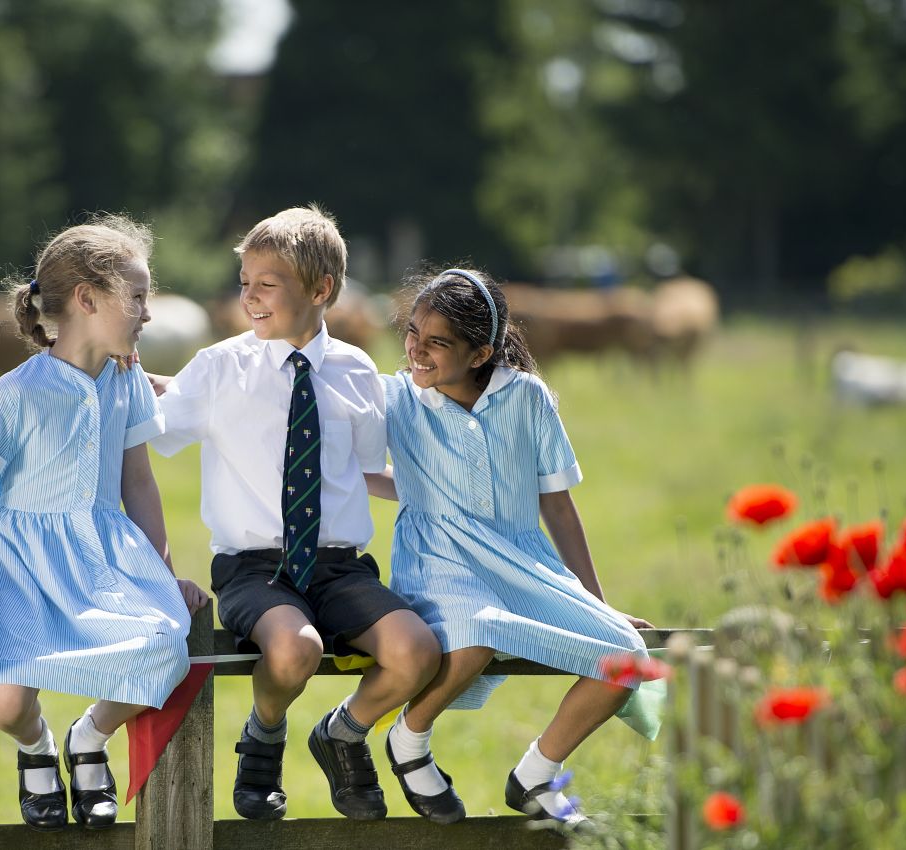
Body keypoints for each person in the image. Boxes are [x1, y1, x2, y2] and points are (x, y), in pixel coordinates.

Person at [150, 205, 440, 821]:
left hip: (340, 568)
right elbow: (154, 416)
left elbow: (362, 473)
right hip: (254, 569)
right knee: (294, 650)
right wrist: (112, 372)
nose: (248, 297)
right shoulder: (221, 367)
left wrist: (440, 496)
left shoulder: (358, 371)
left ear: (320, 289)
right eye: (245, 282)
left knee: (417, 652)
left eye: (266, 284)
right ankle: (264, 734)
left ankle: (342, 733)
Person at [0, 215, 207, 831]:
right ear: (87, 299)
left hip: (104, 556)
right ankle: (35, 746)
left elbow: (137, 482)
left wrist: (164, 577)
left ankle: (89, 737)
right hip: (19, 568)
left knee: (165, 645)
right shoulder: (15, 393)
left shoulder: (127, 377)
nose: (147, 313)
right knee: (6, 701)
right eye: (137, 297)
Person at [370, 267, 657, 829]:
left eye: (436, 342)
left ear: (480, 353)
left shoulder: (528, 398)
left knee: (626, 657)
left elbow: (558, 507)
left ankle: (536, 775)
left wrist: (596, 603)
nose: (416, 351)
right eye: (412, 333)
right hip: (438, 558)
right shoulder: (394, 396)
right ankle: (409, 737)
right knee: (478, 629)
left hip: (523, 562)